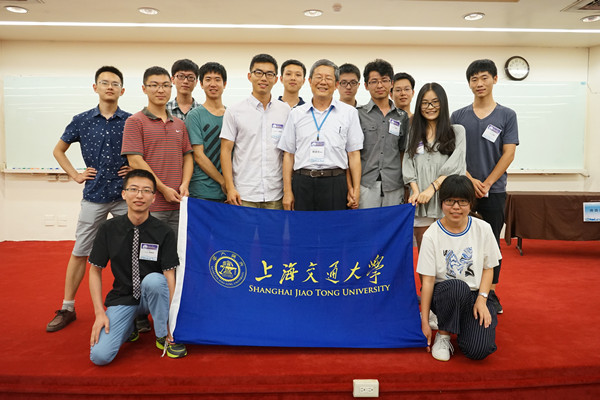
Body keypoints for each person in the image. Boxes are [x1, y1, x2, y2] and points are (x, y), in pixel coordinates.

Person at [46, 66, 132, 333]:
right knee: (80, 251)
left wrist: (133, 168)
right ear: (95, 87)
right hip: (94, 196)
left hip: (124, 196)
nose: (110, 87)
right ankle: (67, 307)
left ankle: (133, 307)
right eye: (104, 82)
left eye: (115, 83)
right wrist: (75, 175)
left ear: (122, 90)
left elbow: (144, 152)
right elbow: (58, 150)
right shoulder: (81, 120)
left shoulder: (131, 121)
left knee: (129, 251)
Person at [89, 169, 187, 365]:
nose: (139, 195)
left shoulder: (164, 231)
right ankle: (130, 326)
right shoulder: (108, 228)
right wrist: (99, 313)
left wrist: (173, 323)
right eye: (133, 189)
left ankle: (162, 335)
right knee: (100, 356)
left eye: (146, 191)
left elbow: (169, 276)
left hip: (154, 296)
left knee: (154, 280)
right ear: (124, 194)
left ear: (153, 197)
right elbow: (95, 270)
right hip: (123, 297)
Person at [450, 59, 519, 314]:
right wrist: (469, 179)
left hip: (495, 190)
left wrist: (488, 182)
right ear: (469, 83)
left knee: (491, 244)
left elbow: (509, 153)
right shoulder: (458, 116)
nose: (479, 83)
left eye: (484, 77)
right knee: (460, 241)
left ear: (495, 79)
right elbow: (453, 153)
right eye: (474, 79)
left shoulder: (507, 115)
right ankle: (462, 290)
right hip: (462, 189)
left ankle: (490, 293)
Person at [417, 174, 501, 362]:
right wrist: (425, 322)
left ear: (471, 203)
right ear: (441, 203)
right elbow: (427, 282)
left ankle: (463, 325)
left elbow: (489, 268)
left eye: (462, 201)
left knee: (478, 350)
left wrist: (482, 299)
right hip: (446, 294)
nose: (456, 207)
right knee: (457, 287)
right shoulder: (431, 235)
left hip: (475, 295)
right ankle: (444, 334)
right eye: (450, 201)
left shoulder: (483, 229)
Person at [278, 59, 363, 211]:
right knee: (302, 226)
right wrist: (287, 192)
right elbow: (288, 155)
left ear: (336, 84)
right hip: (302, 183)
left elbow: (354, 154)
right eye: (318, 77)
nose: (323, 82)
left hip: (336, 183)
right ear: (310, 81)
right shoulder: (296, 114)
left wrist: (356, 189)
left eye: (328, 78)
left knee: (335, 226)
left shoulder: (349, 113)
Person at [121, 66, 193, 237]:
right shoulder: (135, 121)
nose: (161, 90)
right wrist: (163, 189)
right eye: (154, 85)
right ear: (144, 89)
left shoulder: (179, 124)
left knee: (175, 251)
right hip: (150, 205)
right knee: (148, 250)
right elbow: (135, 161)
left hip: (178, 204)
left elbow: (188, 156)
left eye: (166, 85)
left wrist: (185, 184)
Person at [220, 53, 290, 209]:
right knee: (243, 228)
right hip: (244, 194)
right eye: (258, 73)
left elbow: (287, 153)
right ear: (249, 76)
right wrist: (230, 188)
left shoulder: (285, 111)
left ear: (276, 79)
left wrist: (287, 190)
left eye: (269, 74)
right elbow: (225, 151)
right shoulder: (234, 111)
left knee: (274, 227)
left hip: (275, 194)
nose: (264, 78)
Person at [403, 82, 466, 249]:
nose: (430, 107)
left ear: (443, 103)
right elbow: (408, 163)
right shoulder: (413, 133)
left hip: (447, 199)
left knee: (448, 251)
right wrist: (416, 191)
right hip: (420, 202)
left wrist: (432, 189)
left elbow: (456, 166)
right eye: (425, 103)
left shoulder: (457, 131)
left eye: (435, 102)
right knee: (425, 251)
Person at [357, 59, 409, 209]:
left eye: (384, 80)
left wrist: (406, 185)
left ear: (391, 83)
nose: (380, 85)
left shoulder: (402, 117)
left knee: (392, 223)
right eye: (374, 81)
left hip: (394, 184)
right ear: (366, 85)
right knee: (366, 222)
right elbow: (353, 154)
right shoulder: (358, 114)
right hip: (366, 183)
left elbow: (402, 152)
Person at [185, 62, 228, 202]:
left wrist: (230, 184)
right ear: (201, 84)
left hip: (230, 191)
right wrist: (223, 181)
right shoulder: (194, 116)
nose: (213, 84)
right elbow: (198, 155)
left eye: (217, 79)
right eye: (208, 79)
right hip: (202, 191)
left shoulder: (231, 115)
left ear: (224, 84)